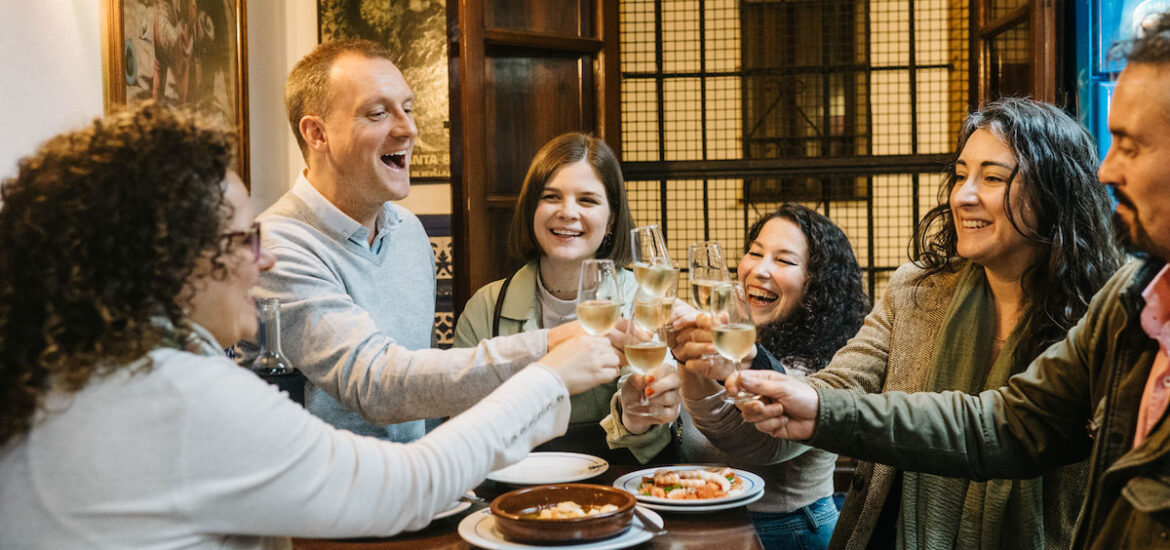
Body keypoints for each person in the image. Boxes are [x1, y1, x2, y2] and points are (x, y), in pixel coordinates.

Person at [0, 103, 621, 548]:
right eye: (242, 238)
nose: (263, 257)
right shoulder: (176, 393)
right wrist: (546, 374)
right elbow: (407, 482)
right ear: (171, 259)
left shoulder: (62, 371)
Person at [721, 74, 1170, 547]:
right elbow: (994, 424)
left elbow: (1008, 429)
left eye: (993, 178)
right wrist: (752, 377)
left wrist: (820, 408)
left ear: (1054, 192)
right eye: (959, 175)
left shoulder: (1107, 306)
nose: (962, 196)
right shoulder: (918, 290)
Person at [249, 39, 598, 441]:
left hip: (421, 491)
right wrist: (550, 346)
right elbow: (376, 383)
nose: (409, 129)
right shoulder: (274, 247)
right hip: (333, 498)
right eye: (378, 113)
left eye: (408, 109)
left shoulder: (410, 232)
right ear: (316, 133)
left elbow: (422, 384)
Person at [647, 204, 868, 550]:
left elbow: (761, 445)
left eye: (784, 261)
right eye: (755, 252)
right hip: (699, 521)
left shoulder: (835, 358)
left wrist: (695, 365)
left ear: (816, 283)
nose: (760, 270)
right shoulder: (726, 328)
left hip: (790, 531)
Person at [453, 132, 679, 462]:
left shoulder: (642, 301)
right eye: (551, 197)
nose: (567, 212)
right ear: (532, 208)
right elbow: (463, 429)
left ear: (612, 217)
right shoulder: (486, 307)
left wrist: (637, 417)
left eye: (587, 200)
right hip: (515, 490)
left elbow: (656, 425)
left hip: (620, 488)